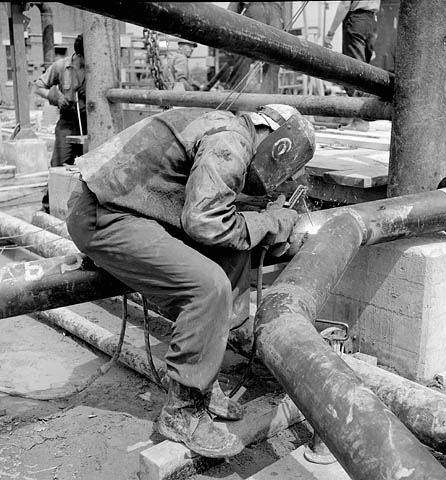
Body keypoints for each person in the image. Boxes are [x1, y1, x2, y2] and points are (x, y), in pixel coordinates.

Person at [66, 104, 315, 458]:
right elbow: (205, 223)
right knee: (208, 286)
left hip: (129, 208)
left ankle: (204, 378)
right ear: (280, 147)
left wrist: (260, 225)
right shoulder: (232, 140)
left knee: (231, 255)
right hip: (104, 215)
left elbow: (211, 221)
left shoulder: (225, 129)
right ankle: (183, 412)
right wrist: (273, 222)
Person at [35, 34, 87, 212]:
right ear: (78, 54)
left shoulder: (96, 68)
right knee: (59, 165)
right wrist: (54, 97)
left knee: (87, 168)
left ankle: (81, 209)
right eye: (83, 59)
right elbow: (39, 86)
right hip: (67, 122)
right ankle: (49, 206)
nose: (86, 63)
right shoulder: (61, 66)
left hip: (89, 122)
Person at [324, 0, 381, 131]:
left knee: (354, 72)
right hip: (372, 21)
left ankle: (360, 120)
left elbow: (344, 4)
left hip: (356, 20)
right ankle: (360, 117)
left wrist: (330, 33)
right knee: (365, 72)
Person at [225, 2, 284, 94]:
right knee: (242, 57)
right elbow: (229, 16)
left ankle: (268, 102)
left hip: (275, 34)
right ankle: (231, 99)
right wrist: (228, 42)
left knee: (273, 64)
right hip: (251, 33)